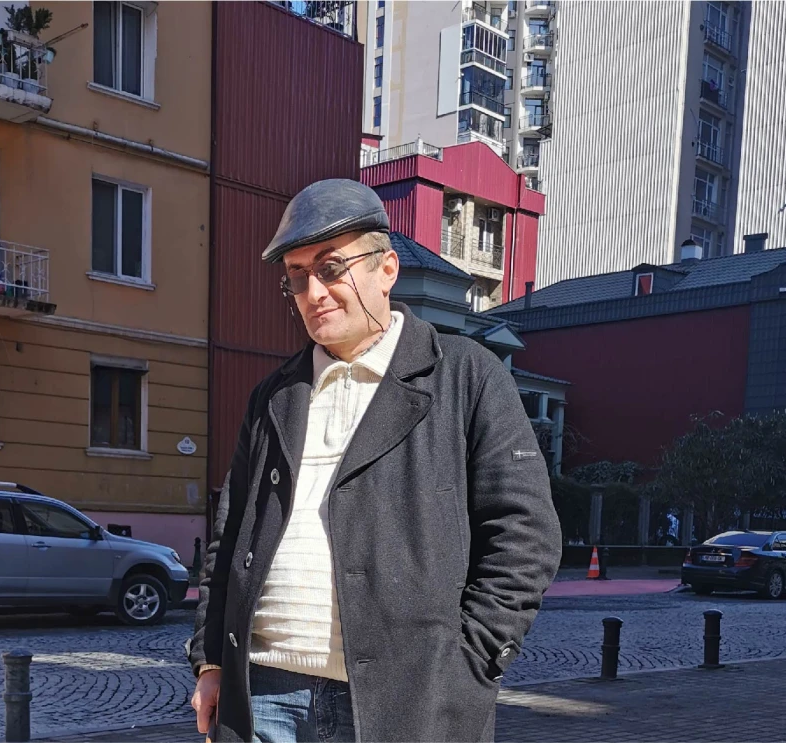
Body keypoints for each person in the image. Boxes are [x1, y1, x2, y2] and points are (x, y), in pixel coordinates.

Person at [188, 179, 562, 742]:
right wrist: (211, 659)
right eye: (297, 276)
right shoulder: (274, 396)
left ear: (387, 269)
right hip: (262, 694)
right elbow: (230, 534)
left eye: (331, 268)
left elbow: (525, 533)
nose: (313, 292)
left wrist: (473, 661)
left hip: (407, 699)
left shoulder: (465, 375)